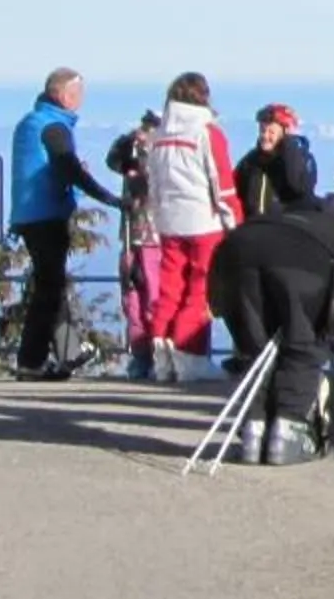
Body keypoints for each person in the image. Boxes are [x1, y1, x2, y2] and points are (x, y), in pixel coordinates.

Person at [217, 139, 334, 465]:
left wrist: (230, 316)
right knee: (302, 342)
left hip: (243, 250)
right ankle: (288, 430)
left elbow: (222, 290)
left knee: (255, 346)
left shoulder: (263, 218)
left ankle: (253, 431)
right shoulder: (331, 221)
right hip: (305, 264)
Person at [7, 71, 130, 381]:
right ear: (64, 95)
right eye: (78, 94)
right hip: (46, 214)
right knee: (49, 287)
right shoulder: (54, 127)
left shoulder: (31, 121)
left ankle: (67, 351)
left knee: (52, 284)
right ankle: (31, 361)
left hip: (28, 213)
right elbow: (68, 167)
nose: (81, 100)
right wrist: (109, 198)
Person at [143, 72, 238, 383]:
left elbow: (153, 184)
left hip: (170, 221)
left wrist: (157, 218)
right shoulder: (207, 132)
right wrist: (234, 223)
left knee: (169, 288)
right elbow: (222, 183)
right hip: (203, 222)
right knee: (200, 288)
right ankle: (190, 356)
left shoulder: (160, 135)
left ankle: (161, 357)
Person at [106, 112, 165, 379]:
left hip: (156, 235)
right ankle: (141, 354)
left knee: (152, 296)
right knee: (134, 296)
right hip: (134, 232)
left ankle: (157, 353)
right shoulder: (131, 154)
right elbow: (114, 160)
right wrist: (132, 144)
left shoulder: (165, 157)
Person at [232, 104, 306, 221]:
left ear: (285, 133)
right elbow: (233, 189)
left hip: (285, 230)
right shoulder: (250, 162)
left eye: (271, 132)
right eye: (262, 130)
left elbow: (299, 188)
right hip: (251, 228)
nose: (265, 136)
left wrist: (290, 148)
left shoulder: (298, 161)